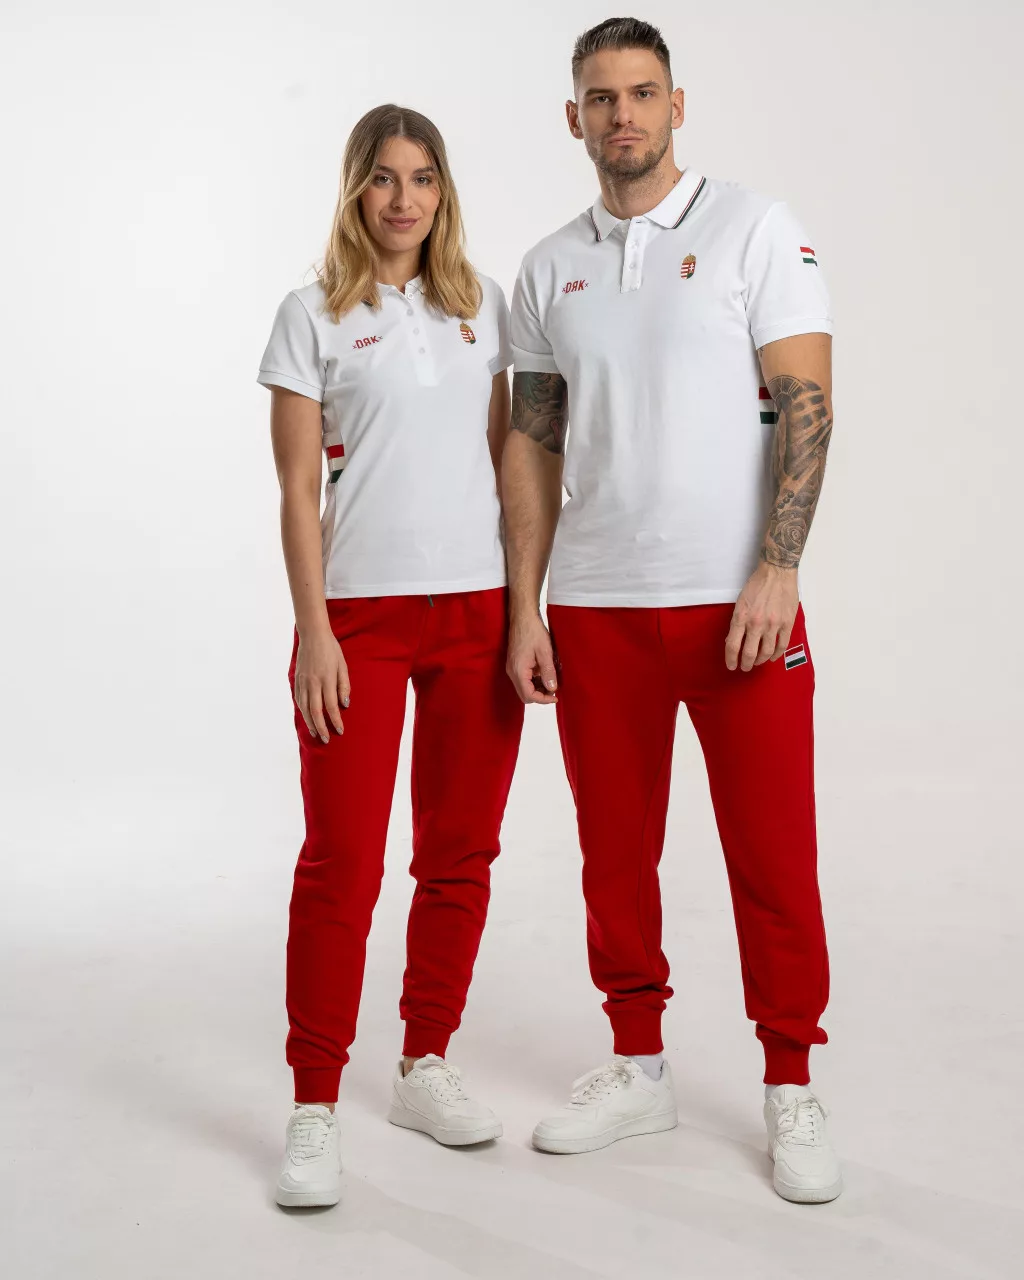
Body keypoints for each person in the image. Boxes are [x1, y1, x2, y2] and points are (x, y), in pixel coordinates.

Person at [502, 17, 841, 1203]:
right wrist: (526, 606)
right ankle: (638, 1063)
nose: (623, 116)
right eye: (601, 98)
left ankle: (789, 1080)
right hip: (597, 606)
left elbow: (807, 400)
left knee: (772, 854)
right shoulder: (545, 267)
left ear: (677, 104)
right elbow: (532, 446)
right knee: (613, 855)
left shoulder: (755, 227)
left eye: (642, 93)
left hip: (738, 607)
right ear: (573, 117)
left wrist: (778, 567)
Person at [256, 104, 524, 1209]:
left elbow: (510, 464)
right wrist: (315, 629)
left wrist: (526, 612)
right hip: (358, 620)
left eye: (422, 177)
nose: (403, 198)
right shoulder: (312, 313)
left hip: (477, 611)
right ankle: (314, 1103)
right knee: (344, 862)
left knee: (459, 852)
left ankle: (424, 1062)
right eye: (383, 177)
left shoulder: (483, 307)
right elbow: (296, 493)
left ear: (443, 190)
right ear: (354, 189)